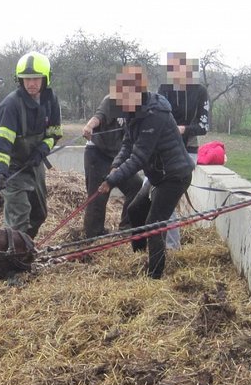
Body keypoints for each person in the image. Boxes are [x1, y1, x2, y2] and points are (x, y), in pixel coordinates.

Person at [97, 67, 194, 279]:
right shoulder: (133, 112)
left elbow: (139, 157)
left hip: (174, 176)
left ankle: (155, 276)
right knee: (135, 210)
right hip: (158, 174)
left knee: (154, 224)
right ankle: (139, 256)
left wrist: (111, 181)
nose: (120, 102)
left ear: (137, 93)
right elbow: (127, 145)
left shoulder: (154, 115)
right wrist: (115, 165)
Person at [0, 52, 63, 238]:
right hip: (13, 169)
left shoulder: (51, 100)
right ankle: (11, 258)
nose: (31, 83)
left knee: (39, 214)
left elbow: (54, 133)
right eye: (26, 79)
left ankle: (25, 248)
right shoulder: (10, 105)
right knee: (19, 217)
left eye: (36, 78)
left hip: (35, 166)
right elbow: (2, 143)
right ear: (19, 80)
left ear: (45, 79)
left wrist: (42, 149)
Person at [156, 52, 210, 250]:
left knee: (167, 198)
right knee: (149, 192)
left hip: (187, 152)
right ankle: (149, 238)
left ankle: (171, 246)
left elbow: (203, 126)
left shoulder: (200, 91)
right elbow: (157, 115)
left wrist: (184, 129)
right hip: (165, 150)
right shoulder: (164, 89)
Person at [80, 77, 144, 238]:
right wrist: (89, 126)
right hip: (97, 153)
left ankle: (126, 227)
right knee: (98, 196)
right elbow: (98, 116)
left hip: (117, 157)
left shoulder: (136, 109)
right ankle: (93, 236)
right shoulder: (110, 101)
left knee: (136, 185)